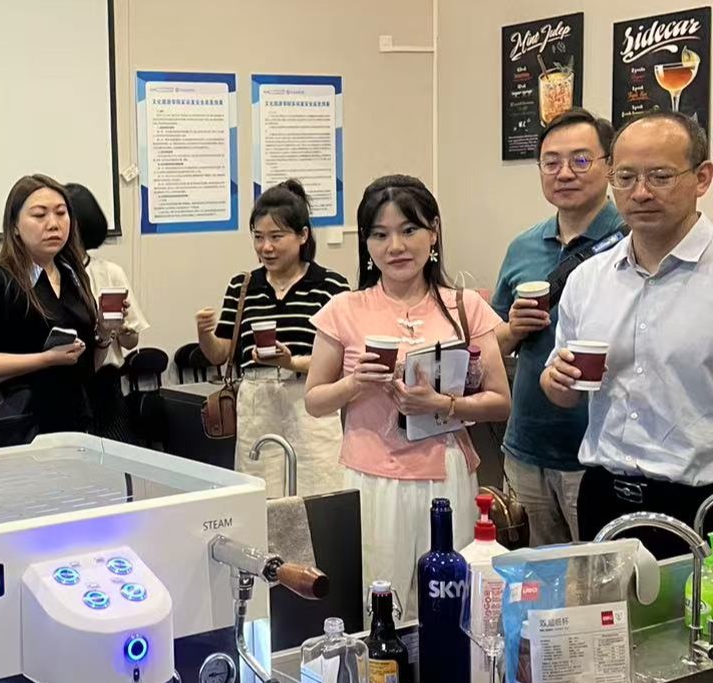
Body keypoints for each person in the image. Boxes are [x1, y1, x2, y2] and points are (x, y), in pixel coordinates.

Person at [305, 175, 511, 612]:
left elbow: (499, 401)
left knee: (449, 598)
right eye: (380, 235)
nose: (395, 246)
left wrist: (443, 404)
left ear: (433, 232)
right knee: (381, 595)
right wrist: (354, 383)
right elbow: (314, 400)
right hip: (372, 475)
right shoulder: (344, 309)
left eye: (409, 230)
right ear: (366, 243)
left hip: (445, 473)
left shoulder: (465, 306)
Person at [542, 111, 713, 560]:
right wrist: (556, 381)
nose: (640, 192)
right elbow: (564, 392)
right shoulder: (588, 279)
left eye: (660, 176)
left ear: (702, 178)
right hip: (603, 496)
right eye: (625, 177)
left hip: (699, 503)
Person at [491, 109, 624, 545]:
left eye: (581, 160)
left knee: (600, 581)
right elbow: (491, 344)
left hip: (600, 458)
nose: (564, 173)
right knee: (529, 576)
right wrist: (513, 329)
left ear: (609, 166)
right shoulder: (523, 246)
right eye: (551, 162)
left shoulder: (631, 242)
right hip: (526, 447)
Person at [194, 180, 350, 497]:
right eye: (258, 237)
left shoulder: (331, 286)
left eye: (276, 237)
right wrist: (204, 333)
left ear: (303, 235)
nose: (266, 247)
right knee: (261, 496)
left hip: (309, 401)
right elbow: (220, 354)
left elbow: (345, 360)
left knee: (319, 492)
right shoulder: (242, 285)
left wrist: (292, 362)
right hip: (256, 402)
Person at [0, 174, 109, 434]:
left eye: (61, 213)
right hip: (18, 426)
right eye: (39, 215)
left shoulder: (73, 276)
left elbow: (87, 367)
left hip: (75, 422)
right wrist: (45, 359)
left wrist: (104, 334)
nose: (53, 224)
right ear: (15, 226)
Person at [65, 182, 150, 442]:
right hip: (65, 384)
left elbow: (131, 341)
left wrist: (120, 329)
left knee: (114, 457)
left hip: (106, 386)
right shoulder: (49, 276)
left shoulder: (110, 272)